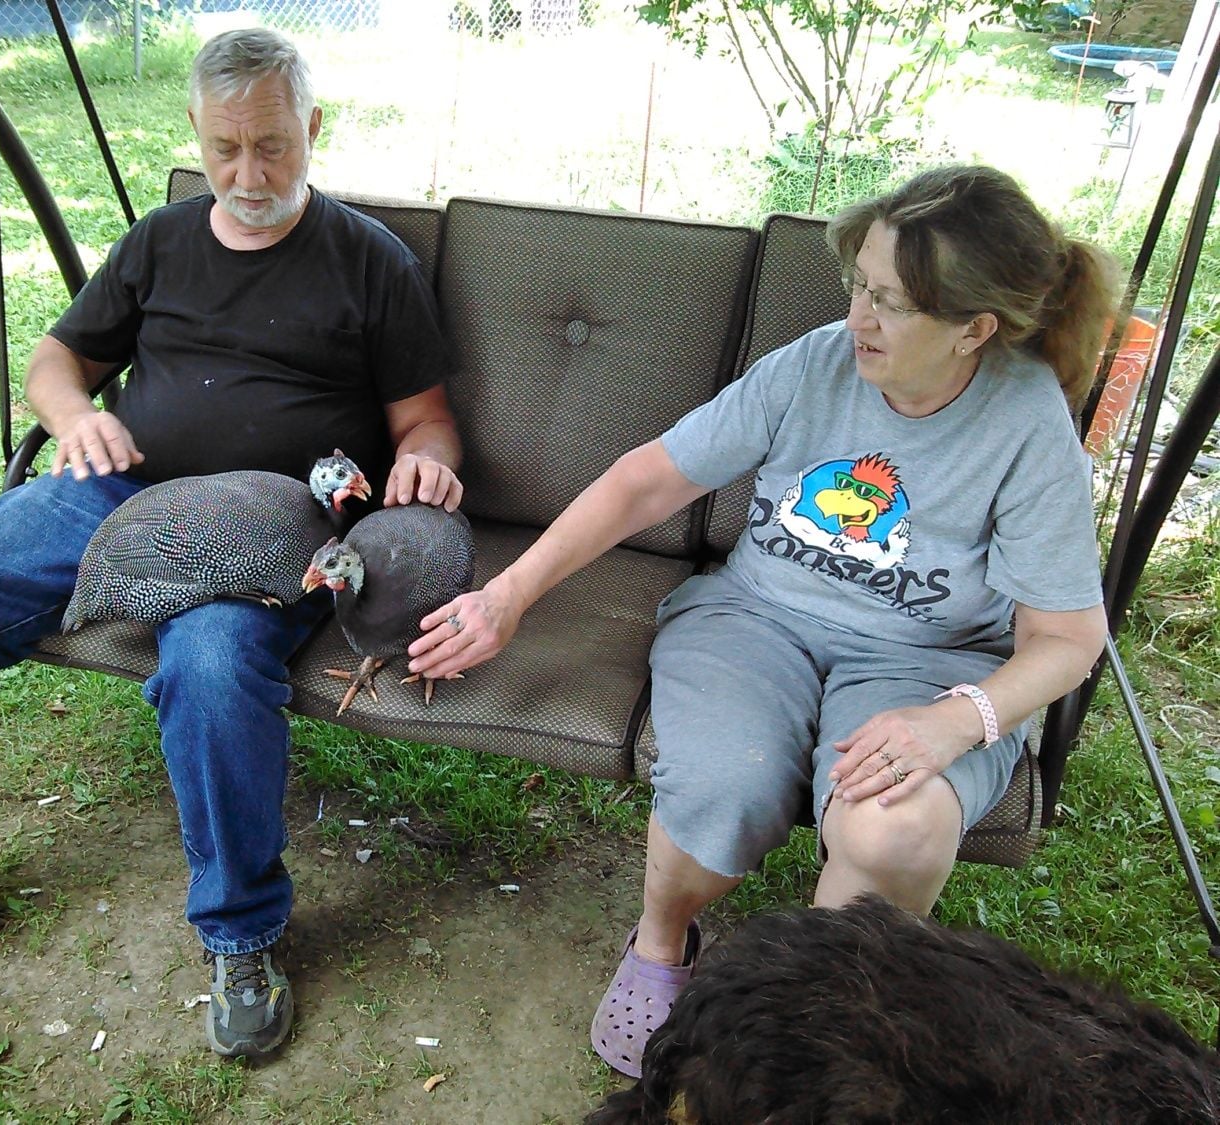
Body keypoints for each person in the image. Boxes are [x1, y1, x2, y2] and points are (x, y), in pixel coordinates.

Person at [0, 27, 463, 1060]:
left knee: (212, 666)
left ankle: (240, 935)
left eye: (273, 146)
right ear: (195, 130)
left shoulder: (370, 262)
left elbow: (427, 421)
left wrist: (425, 464)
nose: (249, 175)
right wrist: (72, 418)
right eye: (225, 148)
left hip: (265, 531)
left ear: (313, 128)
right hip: (117, 494)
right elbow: (58, 360)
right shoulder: (160, 241)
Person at [405, 164, 1114, 1077]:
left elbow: (1067, 639)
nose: (857, 317)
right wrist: (507, 595)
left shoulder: (1026, 423)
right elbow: (646, 482)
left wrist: (957, 720)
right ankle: (661, 942)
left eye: (890, 303)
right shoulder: (817, 362)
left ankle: (816, 1016)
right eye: (859, 283)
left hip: (928, 658)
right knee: (721, 778)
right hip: (757, 617)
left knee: (893, 826)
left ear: (974, 328)